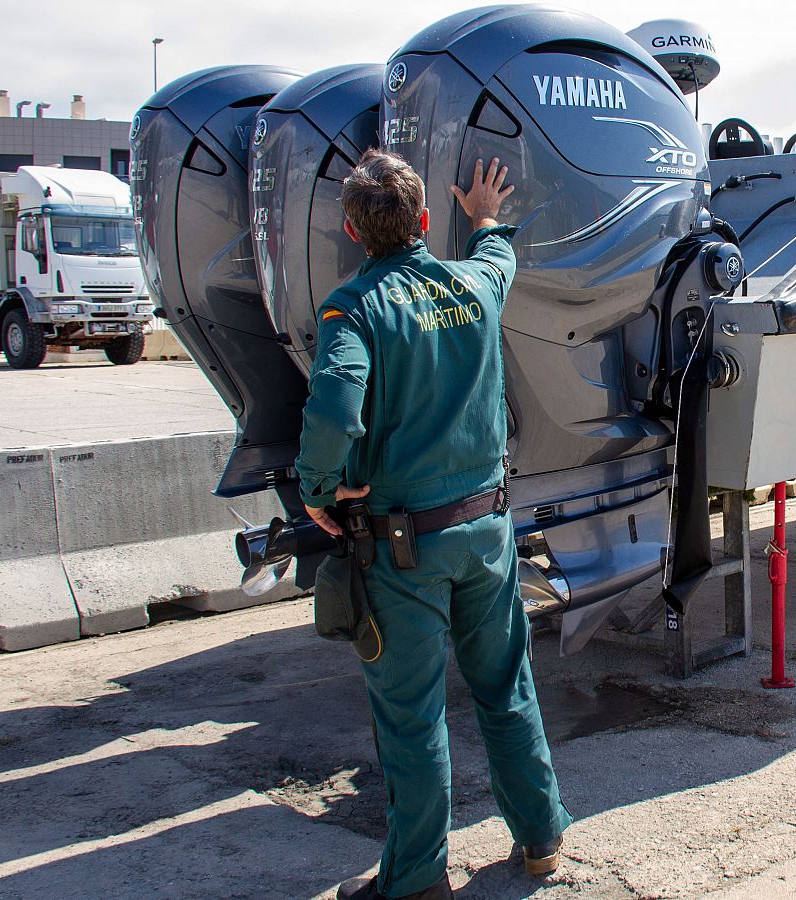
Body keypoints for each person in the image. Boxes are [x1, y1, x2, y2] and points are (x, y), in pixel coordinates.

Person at [295, 149, 571, 900]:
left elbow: (335, 402)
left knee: (413, 721)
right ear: (422, 221)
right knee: (506, 688)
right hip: (487, 533)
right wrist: (484, 214)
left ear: (354, 232)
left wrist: (320, 487)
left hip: (403, 549)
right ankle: (541, 840)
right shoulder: (474, 289)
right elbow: (495, 253)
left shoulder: (353, 308)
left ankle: (416, 881)